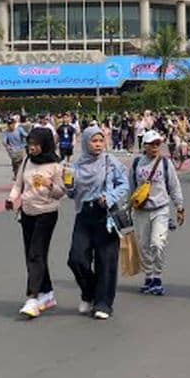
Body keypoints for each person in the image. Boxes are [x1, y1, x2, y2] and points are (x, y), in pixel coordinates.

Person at [67, 125, 128, 320]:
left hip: (106, 214)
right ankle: (89, 293)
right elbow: (72, 193)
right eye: (94, 141)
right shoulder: (76, 166)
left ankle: (103, 303)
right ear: (86, 142)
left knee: (106, 260)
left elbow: (124, 184)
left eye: (101, 141)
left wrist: (109, 197)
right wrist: (68, 186)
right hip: (84, 213)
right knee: (77, 258)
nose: (98, 144)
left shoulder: (110, 162)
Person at [8, 127, 67, 318]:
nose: (31, 148)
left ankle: (32, 297)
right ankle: (47, 293)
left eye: (36, 145)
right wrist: (11, 198)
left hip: (46, 213)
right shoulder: (27, 161)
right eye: (30, 144)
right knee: (33, 254)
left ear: (45, 144)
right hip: (27, 212)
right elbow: (18, 183)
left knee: (36, 253)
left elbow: (61, 192)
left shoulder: (55, 165)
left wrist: (49, 184)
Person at [129, 129, 184, 296]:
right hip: (140, 211)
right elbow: (130, 188)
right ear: (144, 146)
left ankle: (157, 277)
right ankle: (149, 276)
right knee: (143, 246)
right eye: (151, 144)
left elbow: (174, 186)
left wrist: (179, 207)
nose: (155, 147)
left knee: (157, 243)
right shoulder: (137, 164)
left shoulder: (165, 164)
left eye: (157, 143)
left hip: (160, 209)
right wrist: (126, 208)